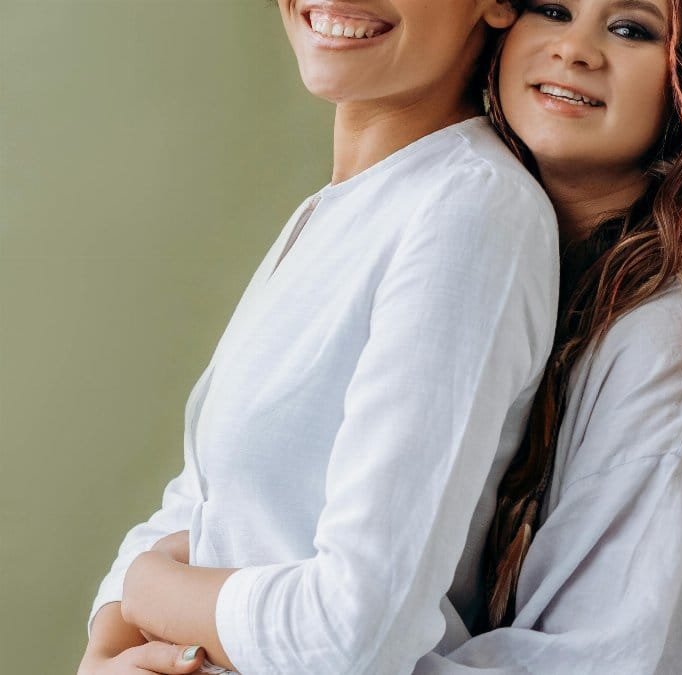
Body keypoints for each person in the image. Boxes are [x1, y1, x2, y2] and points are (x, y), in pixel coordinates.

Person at [78, 1, 560, 673]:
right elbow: (206, 494)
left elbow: (359, 629)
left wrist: (148, 590)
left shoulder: (470, 210)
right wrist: (108, 638)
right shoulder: (334, 209)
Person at [413, 0, 682, 672]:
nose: (575, 49)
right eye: (552, 8)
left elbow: (605, 660)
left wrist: (276, 649)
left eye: (630, 29)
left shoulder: (674, 341)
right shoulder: (479, 259)